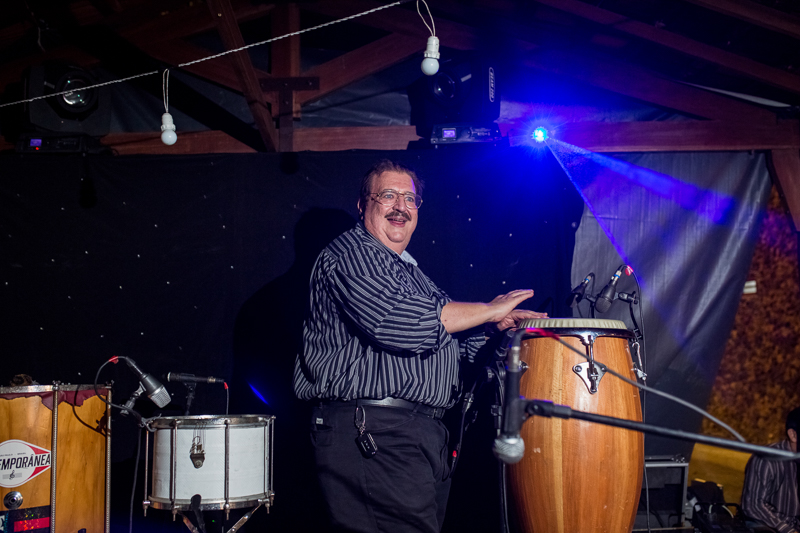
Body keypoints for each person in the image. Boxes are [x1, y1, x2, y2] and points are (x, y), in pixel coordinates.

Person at [293, 159, 545, 533]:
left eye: (410, 199)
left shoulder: (411, 274)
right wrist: (489, 309)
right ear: (363, 205)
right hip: (374, 432)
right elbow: (401, 324)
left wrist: (492, 329)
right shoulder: (351, 254)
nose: (401, 207)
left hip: (416, 437)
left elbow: (448, 346)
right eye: (388, 195)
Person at [741, 407, 800, 533]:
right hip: (772, 527)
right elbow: (753, 505)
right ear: (793, 435)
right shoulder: (767, 458)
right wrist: (788, 531)